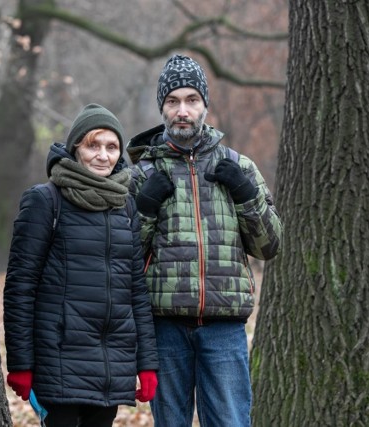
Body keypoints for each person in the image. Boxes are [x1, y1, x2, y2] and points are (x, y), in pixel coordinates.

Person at [127, 54, 283, 427]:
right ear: (162, 108)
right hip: (164, 328)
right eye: (173, 101)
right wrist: (145, 207)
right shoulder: (141, 174)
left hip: (224, 327)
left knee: (230, 422)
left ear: (205, 106)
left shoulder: (239, 167)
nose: (183, 110)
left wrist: (246, 195)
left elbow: (269, 246)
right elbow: (121, 256)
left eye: (191, 100)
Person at [4, 103, 159, 427]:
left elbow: (136, 290)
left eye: (112, 146)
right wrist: (21, 363)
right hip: (58, 357)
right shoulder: (45, 200)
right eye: (93, 145)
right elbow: (21, 287)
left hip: (111, 363)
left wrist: (147, 364)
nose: (103, 155)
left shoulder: (125, 206)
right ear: (76, 148)